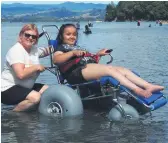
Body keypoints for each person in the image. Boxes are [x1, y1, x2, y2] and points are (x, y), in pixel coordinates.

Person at [53, 24, 164, 98]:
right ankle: (136, 90)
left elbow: (91, 64)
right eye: (68, 34)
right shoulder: (61, 48)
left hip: (86, 68)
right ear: (61, 36)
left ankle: (147, 85)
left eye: (74, 34)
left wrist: (98, 54)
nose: (72, 37)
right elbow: (56, 60)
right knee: (110, 70)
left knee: (122, 70)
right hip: (75, 74)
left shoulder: (77, 47)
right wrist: (72, 53)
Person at [1, 24, 53, 112]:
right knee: (35, 97)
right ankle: (13, 115)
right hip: (6, 89)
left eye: (34, 36)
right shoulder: (16, 51)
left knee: (48, 91)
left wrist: (59, 46)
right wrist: (36, 67)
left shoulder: (33, 50)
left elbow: (46, 51)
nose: (30, 38)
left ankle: (34, 111)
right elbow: (20, 74)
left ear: (36, 39)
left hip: (23, 87)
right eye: (27, 35)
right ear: (20, 36)